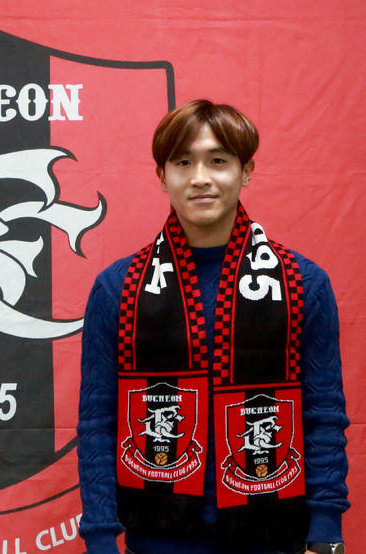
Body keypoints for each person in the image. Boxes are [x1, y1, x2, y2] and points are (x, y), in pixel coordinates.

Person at [77, 99, 349, 554]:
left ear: (246, 172)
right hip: (155, 540)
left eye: (218, 161)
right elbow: (97, 424)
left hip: (274, 538)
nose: (200, 177)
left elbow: (323, 416)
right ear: (162, 175)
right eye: (183, 162)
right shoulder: (117, 288)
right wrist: (101, 539)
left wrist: (325, 532)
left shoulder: (304, 283)